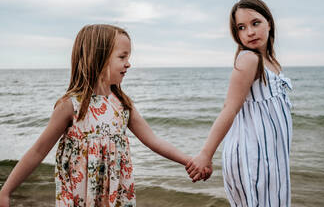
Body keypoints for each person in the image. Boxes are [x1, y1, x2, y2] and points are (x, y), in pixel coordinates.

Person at [0, 24, 197, 207]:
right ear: (98, 58)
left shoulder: (123, 105)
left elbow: (153, 140)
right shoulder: (71, 106)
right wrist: (6, 191)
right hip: (79, 196)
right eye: (122, 57)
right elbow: (38, 151)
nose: (128, 64)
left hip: (116, 195)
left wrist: (189, 161)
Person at [186, 0, 293, 206]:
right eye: (241, 28)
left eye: (255, 23)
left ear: (269, 23)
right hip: (253, 157)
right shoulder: (248, 60)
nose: (250, 32)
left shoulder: (271, 62)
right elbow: (230, 109)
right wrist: (206, 154)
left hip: (272, 157)